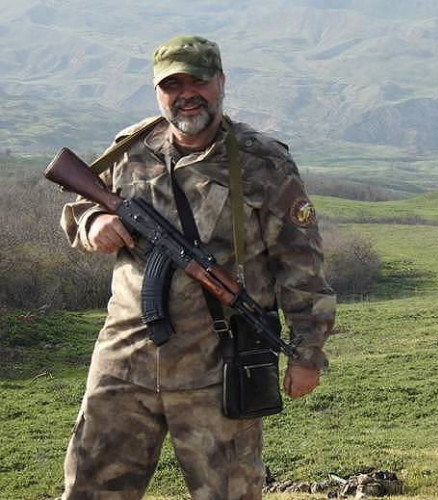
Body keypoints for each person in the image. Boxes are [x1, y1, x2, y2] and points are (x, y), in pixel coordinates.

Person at [58, 35, 336, 499]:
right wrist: (94, 222)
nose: (187, 94)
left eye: (199, 81)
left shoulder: (262, 162)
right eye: (173, 85)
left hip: (218, 369)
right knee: (91, 490)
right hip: (124, 364)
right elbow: (79, 205)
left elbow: (300, 263)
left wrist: (307, 352)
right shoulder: (130, 147)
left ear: (221, 82)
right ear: (157, 91)